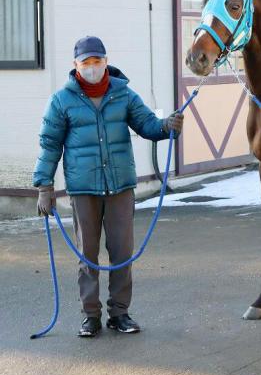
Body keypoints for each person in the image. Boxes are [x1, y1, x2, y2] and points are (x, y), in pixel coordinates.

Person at [33, 36, 184, 337]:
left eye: (97, 62)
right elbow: (50, 145)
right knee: (87, 255)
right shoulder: (62, 100)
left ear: (105, 61)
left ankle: (120, 313)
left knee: (122, 253)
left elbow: (147, 125)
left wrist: (166, 126)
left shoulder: (123, 94)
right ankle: (90, 316)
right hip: (83, 189)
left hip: (119, 188)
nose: (92, 68)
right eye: (85, 63)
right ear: (75, 65)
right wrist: (44, 187)